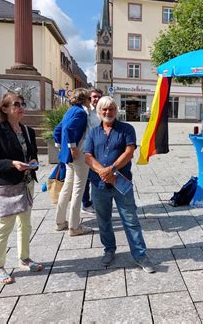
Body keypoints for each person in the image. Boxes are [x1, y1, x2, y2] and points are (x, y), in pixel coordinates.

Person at [84, 96, 156, 273]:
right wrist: (102, 171)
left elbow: (129, 152)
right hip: (99, 184)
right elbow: (87, 156)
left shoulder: (126, 129)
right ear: (99, 112)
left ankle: (140, 255)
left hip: (121, 182)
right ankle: (109, 249)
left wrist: (112, 169)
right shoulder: (93, 132)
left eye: (111, 109)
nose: (107, 112)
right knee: (104, 220)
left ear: (116, 110)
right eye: (104, 109)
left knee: (130, 220)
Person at [0, 92, 43, 284]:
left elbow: (32, 154)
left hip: (26, 183)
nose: (21, 107)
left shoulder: (27, 130)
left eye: (22, 103)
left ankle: (24, 258)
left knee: (25, 223)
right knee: (5, 225)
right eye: (16, 104)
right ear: (5, 108)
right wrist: (11, 163)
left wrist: (32, 162)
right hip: (7, 185)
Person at [54, 88, 92, 236]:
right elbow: (69, 129)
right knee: (78, 189)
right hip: (79, 155)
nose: (90, 102)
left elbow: (57, 131)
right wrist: (72, 147)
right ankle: (74, 226)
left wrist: (62, 147)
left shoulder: (69, 111)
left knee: (67, 188)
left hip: (68, 157)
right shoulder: (81, 113)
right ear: (85, 99)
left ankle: (60, 222)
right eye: (89, 99)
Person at [81, 88, 103, 213]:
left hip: (99, 150)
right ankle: (86, 203)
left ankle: (96, 202)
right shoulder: (86, 111)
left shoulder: (101, 112)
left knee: (97, 177)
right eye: (94, 96)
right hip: (86, 149)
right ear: (89, 98)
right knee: (86, 179)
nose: (96, 99)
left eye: (99, 96)